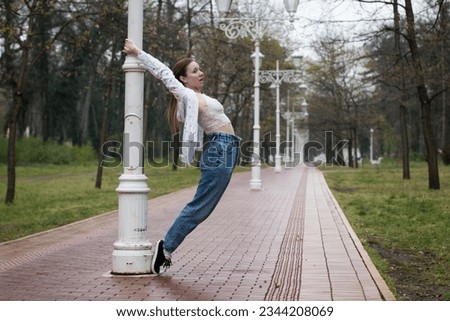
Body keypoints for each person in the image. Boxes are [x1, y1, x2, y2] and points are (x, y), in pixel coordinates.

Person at [123, 39, 241, 274]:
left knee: (204, 207)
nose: (201, 73)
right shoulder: (185, 94)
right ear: (183, 79)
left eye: (200, 69)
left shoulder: (198, 95)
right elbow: (164, 73)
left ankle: (166, 247)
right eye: (195, 70)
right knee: (201, 206)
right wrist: (138, 53)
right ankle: (165, 248)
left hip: (227, 149)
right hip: (219, 150)